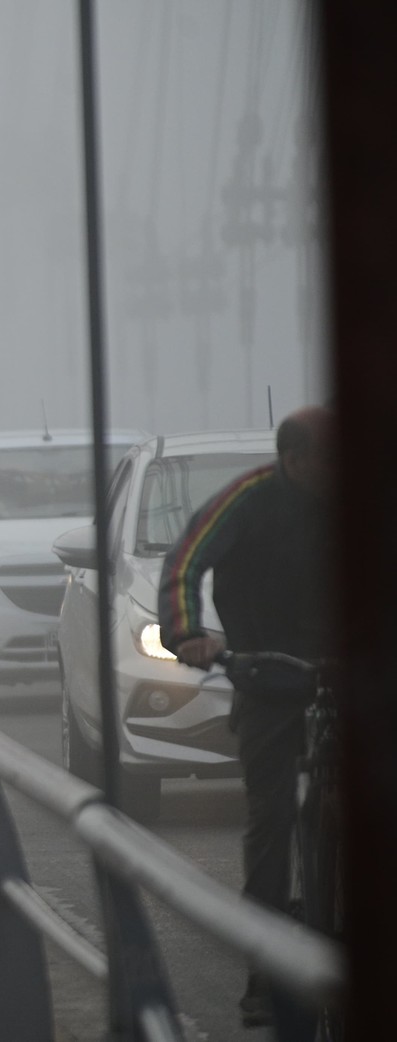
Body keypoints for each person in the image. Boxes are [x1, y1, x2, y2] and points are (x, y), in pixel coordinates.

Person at [158, 406, 333, 1030]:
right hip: (268, 671)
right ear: (294, 461)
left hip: (346, 671)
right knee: (271, 816)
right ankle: (265, 972)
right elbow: (184, 562)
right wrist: (187, 634)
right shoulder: (248, 499)